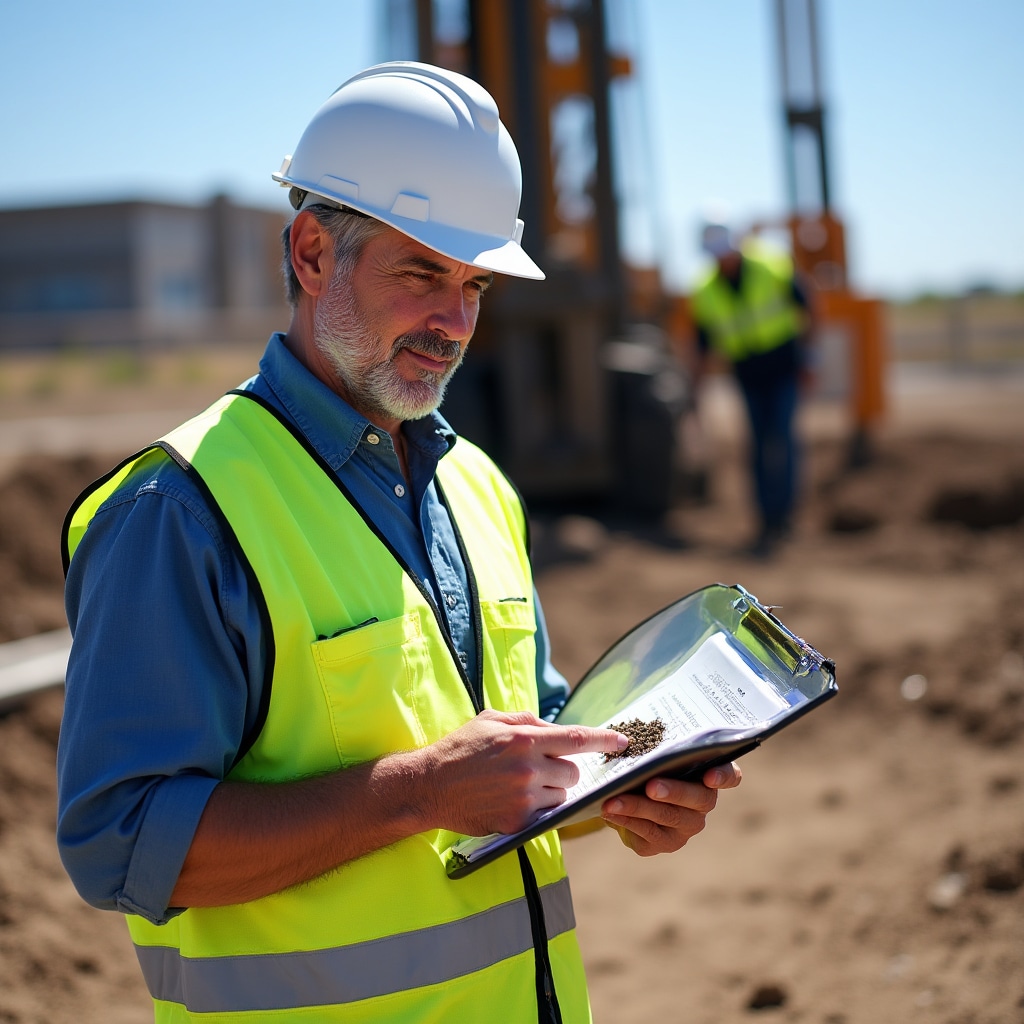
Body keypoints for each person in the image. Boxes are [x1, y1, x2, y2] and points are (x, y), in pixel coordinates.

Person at [57, 62, 741, 1023]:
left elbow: (512, 774)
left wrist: (623, 794)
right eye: (422, 272)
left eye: (474, 284)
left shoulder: (479, 489)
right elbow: (119, 844)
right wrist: (418, 792)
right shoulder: (181, 511)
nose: (455, 323)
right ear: (308, 255)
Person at [689, 215, 815, 557]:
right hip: (747, 374)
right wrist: (695, 388)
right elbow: (703, 342)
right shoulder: (704, 289)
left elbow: (806, 309)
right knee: (758, 443)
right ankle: (766, 518)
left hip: (783, 368)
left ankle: (786, 517)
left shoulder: (771, 264)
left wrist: (809, 361)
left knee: (784, 438)